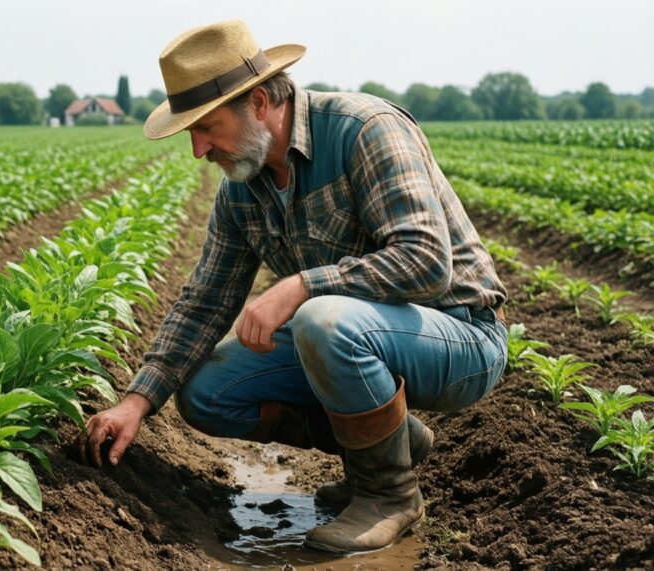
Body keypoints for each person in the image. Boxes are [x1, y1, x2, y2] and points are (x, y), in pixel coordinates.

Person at [77, 19, 508, 555]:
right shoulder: (243, 187)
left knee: (323, 319)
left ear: (258, 102)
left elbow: (426, 262)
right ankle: (392, 442)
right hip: (359, 336)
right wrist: (137, 402)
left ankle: (388, 494)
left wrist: (301, 285)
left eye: (205, 126)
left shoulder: (364, 130)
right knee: (208, 393)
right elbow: (206, 300)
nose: (198, 149)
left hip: (460, 335)